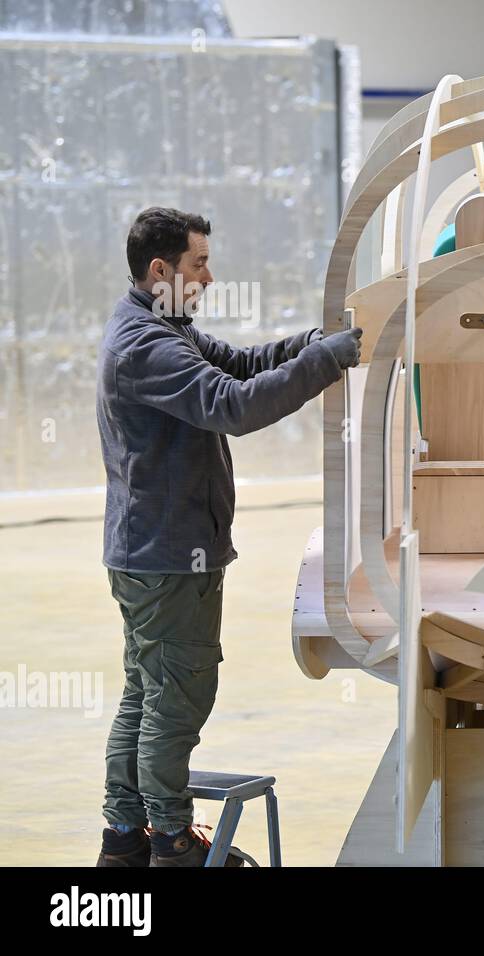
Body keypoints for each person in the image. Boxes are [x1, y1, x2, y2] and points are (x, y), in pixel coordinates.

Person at [96, 207, 363, 866]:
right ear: (161, 270)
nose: (209, 277)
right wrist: (329, 361)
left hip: (150, 550)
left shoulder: (160, 328)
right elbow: (235, 406)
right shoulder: (147, 348)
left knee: (148, 692)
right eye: (198, 264)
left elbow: (241, 364)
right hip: (167, 556)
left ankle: (124, 838)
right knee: (179, 694)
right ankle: (172, 842)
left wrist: (310, 343)